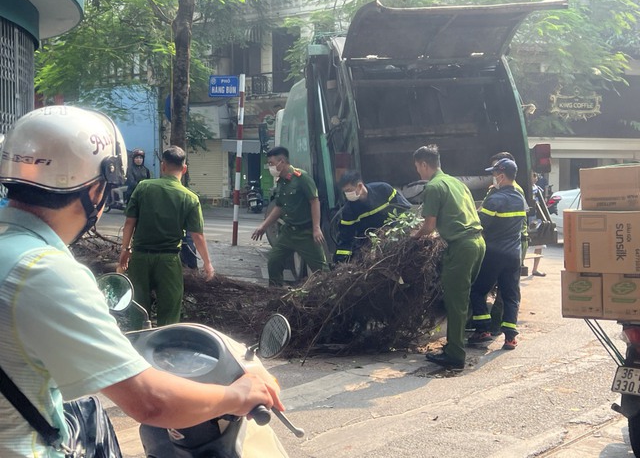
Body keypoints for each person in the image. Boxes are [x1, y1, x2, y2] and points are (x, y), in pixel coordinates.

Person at [0, 106, 282, 457]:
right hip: (22, 447)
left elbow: (129, 227)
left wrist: (123, 256)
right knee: (169, 320)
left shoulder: (13, 249)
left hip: (140, 260)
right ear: (96, 191)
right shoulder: (45, 271)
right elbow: (150, 402)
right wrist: (239, 395)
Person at [119, 146, 215, 328]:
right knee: (169, 312)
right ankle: (163, 348)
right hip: (168, 261)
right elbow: (197, 235)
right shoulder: (190, 198)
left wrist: (125, 250)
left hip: (140, 258)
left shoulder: (143, 187)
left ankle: (137, 345)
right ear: (184, 169)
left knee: (137, 308)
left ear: (163, 166)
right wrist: (207, 264)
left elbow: (129, 223)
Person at [411, 145, 486, 370]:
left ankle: (455, 355)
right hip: (478, 243)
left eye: (417, 168)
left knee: (455, 302)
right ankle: (455, 345)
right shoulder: (456, 182)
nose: (418, 173)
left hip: (461, 247)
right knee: (461, 298)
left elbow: (429, 226)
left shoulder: (433, 186)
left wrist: (412, 238)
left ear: (424, 164)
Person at [468, 158, 527, 350]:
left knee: (477, 291)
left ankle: (482, 330)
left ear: (501, 176)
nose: (493, 179)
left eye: (494, 175)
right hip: (513, 255)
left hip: (494, 254)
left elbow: (480, 224)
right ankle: (510, 338)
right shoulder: (520, 198)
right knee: (510, 295)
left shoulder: (494, 199)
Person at [251, 146, 329, 286]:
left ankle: (330, 298)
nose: (270, 167)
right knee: (274, 262)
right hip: (288, 233)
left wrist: (316, 228)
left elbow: (314, 201)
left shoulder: (302, 178)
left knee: (321, 271)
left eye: (271, 163)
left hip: (306, 233)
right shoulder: (281, 182)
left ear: (281, 162)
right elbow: (279, 207)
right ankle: (276, 295)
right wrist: (264, 226)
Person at [334, 170, 412, 262]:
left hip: (394, 241)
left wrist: (396, 232)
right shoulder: (349, 211)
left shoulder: (384, 190)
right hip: (367, 248)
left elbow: (404, 212)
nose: (347, 195)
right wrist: (340, 261)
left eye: (349, 190)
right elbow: (346, 238)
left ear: (359, 186)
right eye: (345, 192)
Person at [529, 173, 546, 277]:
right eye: (532, 176)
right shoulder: (524, 189)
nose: (534, 178)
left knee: (539, 244)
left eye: (535, 176)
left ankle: (535, 269)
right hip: (527, 220)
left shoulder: (538, 189)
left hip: (537, 219)